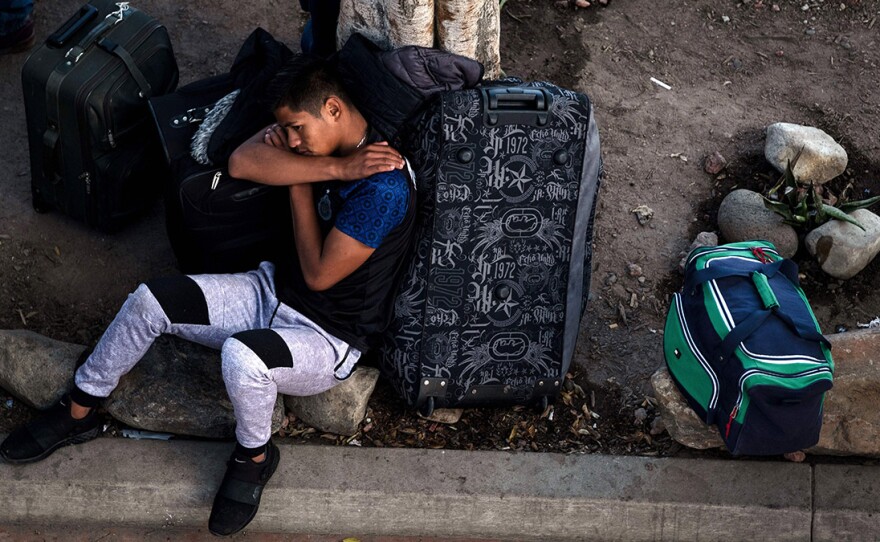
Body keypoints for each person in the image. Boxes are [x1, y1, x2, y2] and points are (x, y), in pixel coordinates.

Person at [0, 54, 415, 536]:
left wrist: (302, 176)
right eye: (289, 133)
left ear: (333, 109)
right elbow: (242, 161)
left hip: (326, 338)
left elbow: (320, 275)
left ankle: (255, 455)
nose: (293, 141)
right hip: (268, 292)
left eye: (298, 129)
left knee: (243, 358)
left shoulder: (383, 189)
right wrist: (333, 168)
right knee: (151, 300)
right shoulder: (331, 155)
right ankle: (80, 407)